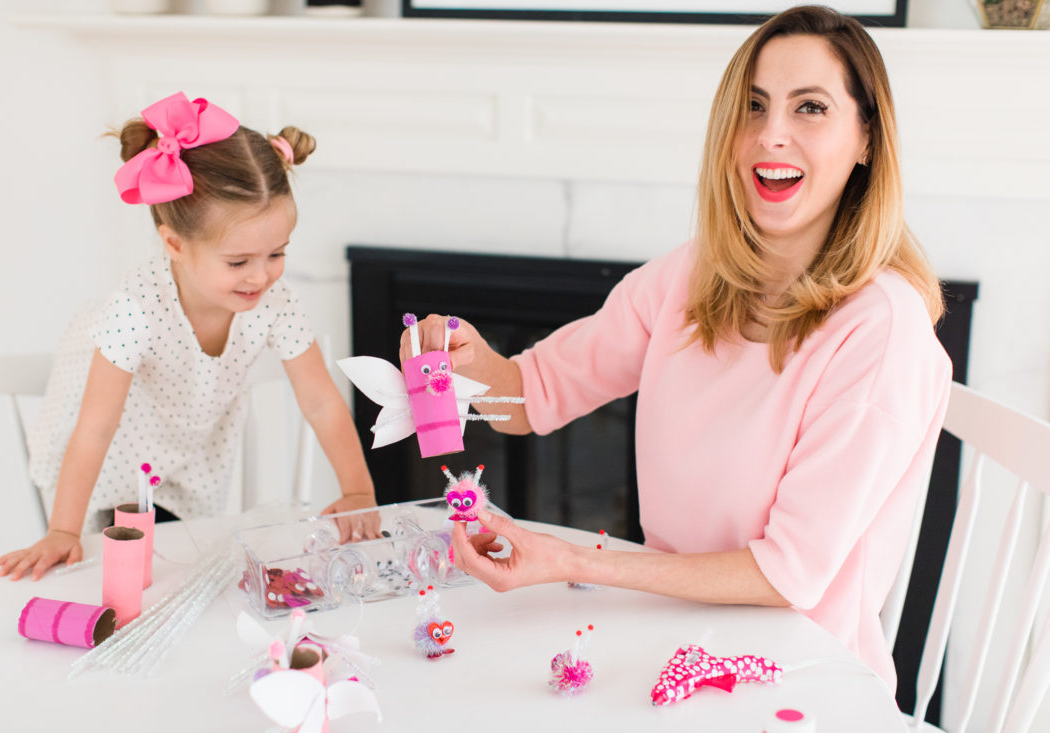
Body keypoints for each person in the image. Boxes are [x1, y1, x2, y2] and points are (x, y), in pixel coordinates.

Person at [404, 6, 950, 692]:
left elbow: (786, 574)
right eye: (753, 105)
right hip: (663, 639)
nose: (770, 134)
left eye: (809, 107)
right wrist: (469, 364)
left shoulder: (882, 329)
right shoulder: (690, 278)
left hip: (797, 678)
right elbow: (530, 395)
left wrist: (576, 560)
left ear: (867, 137)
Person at [0, 92, 376, 582]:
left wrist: (360, 492)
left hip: (192, 455)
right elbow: (94, 427)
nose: (260, 277)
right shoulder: (137, 307)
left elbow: (321, 403)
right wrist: (63, 531)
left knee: (188, 572)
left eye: (276, 254)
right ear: (174, 245)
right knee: (129, 571)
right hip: (115, 460)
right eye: (238, 262)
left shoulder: (276, 303)